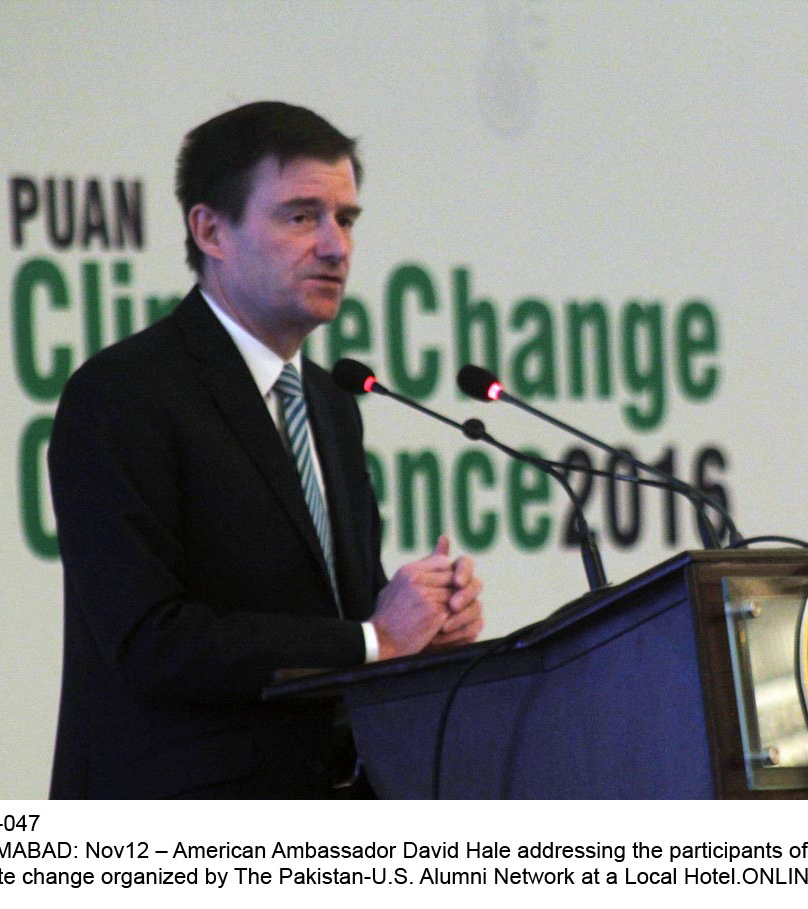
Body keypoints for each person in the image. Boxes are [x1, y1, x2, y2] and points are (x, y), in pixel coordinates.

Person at [48, 101, 484, 798]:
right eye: (302, 216)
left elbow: (341, 615)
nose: (336, 246)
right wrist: (376, 638)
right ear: (211, 229)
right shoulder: (124, 393)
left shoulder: (332, 403)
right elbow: (153, 641)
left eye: (346, 219)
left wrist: (422, 625)